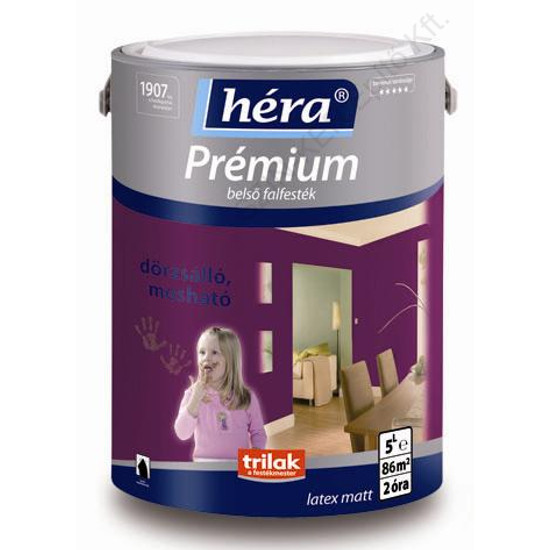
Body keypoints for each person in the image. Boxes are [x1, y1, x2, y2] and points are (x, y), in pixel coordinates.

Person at [174, 327, 267, 460]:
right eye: (202, 352)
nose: (206, 358)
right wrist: (195, 399)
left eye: (214, 352)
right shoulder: (192, 395)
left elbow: (258, 432)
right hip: (204, 466)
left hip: (237, 465)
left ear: (230, 359)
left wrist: (255, 456)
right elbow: (182, 433)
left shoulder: (246, 397)